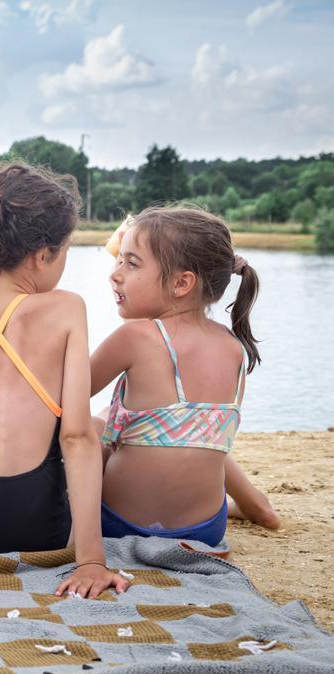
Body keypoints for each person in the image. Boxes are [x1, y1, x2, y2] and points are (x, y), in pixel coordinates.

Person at [0, 163, 127, 598]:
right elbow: (76, 438)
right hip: (41, 532)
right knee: (95, 426)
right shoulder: (66, 308)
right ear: (41, 256)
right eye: (65, 250)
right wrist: (90, 560)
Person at [91, 206, 279, 547]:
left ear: (181, 283)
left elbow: (64, 394)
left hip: (120, 523)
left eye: (130, 263)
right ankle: (255, 505)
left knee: (100, 420)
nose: (114, 274)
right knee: (196, 430)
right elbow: (191, 436)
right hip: (205, 529)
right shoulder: (233, 347)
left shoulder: (136, 336)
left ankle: (252, 504)